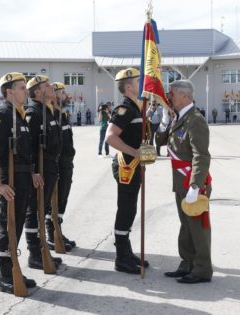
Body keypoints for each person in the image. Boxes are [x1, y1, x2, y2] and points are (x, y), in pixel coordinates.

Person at [0, 72, 41, 294]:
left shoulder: (19, 114)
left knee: (15, 226)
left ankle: (14, 268)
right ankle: (4, 275)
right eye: (22, 87)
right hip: (11, 181)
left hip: (23, 178)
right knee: (8, 226)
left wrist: (33, 173)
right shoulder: (3, 115)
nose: (26, 91)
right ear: (9, 92)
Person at [156, 80, 212, 284]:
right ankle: (187, 263)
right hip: (181, 181)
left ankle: (202, 270)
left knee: (198, 228)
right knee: (186, 226)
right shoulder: (178, 117)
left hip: (192, 182)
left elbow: (201, 156)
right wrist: (163, 121)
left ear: (185, 96)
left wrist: (195, 185)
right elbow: (159, 142)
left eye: (171, 94)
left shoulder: (195, 120)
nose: (168, 97)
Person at [105, 67, 149, 274]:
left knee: (130, 208)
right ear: (129, 86)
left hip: (134, 165)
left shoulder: (136, 107)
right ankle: (121, 257)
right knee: (125, 209)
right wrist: (134, 152)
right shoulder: (125, 109)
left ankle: (127, 251)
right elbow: (110, 137)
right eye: (138, 80)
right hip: (126, 165)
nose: (142, 83)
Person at [24, 75, 63, 270]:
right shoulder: (33, 113)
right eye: (47, 86)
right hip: (40, 169)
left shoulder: (48, 111)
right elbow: (28, 146)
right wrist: (32, 171)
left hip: (50, 166)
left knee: (43, 208)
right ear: (38, 92)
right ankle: (34, 253)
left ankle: (41, 250)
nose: (52, 88)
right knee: (35, 211)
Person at [49, 82, 77, 251]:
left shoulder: (62, 114)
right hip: (58, 164)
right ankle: (51, 233)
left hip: (66, 162)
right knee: (55, 200)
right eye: (61, 92)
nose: (65, 95)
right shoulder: (53, 115)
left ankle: (58, 230)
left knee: (63, 199)